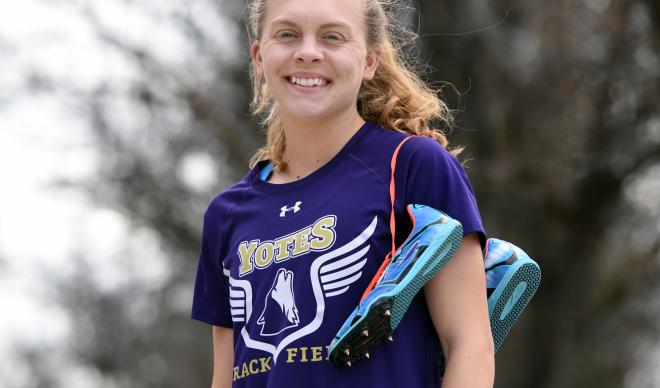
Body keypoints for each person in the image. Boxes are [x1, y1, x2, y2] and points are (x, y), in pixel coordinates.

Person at [191, 0, 495, 387]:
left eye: (332, 37)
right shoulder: (226, 213)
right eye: (287, 35)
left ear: (370, 61)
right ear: (258, 57)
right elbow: (227, 376)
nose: (307, 52)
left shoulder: (412, 166)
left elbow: (469, 346)